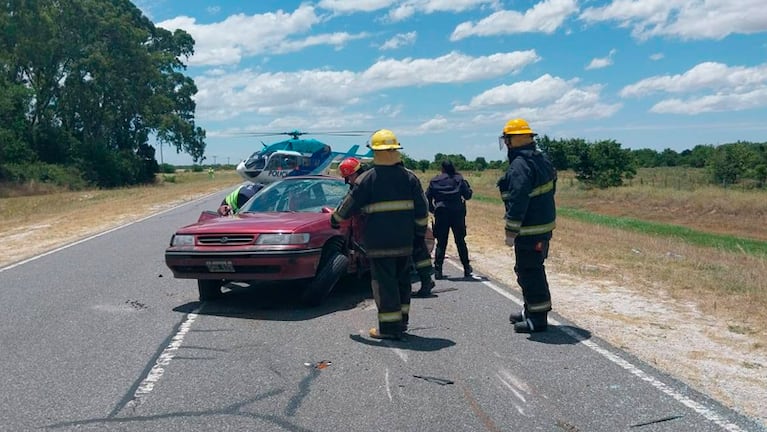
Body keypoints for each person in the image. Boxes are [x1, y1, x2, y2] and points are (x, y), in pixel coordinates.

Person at [331, 130, 429, 340]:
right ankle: (401, 323)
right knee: (403, 283)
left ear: (374, 152)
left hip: (379, 244)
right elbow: (422, 211)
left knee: (385, 286)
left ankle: (388, 329)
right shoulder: (410, 178)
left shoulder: (367, 179)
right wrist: (418, 236)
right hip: (405, 243)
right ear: (396, 151)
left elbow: (347, 207)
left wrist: (334, 219)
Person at [339, 157, 436, 298]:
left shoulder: (372, 179)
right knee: (414, 250)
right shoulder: (370, 179)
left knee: (414, 250)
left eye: (349, 178)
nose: (348, 181)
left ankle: (422, 281)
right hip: (394, 223)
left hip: (398, 223)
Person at [497, 118, 557, 333]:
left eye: (506, 140)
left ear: (512, 140)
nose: (506, 144)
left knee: (530, 271)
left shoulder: (520, 165)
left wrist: (511, 230)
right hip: (543, 226)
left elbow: (518, 199)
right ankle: (530, 310)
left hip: (530, 230)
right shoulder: (540, 160)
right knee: (529, 269)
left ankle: (538, 319)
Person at [426, 159, 473, 280]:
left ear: (442, 169)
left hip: (441, 213)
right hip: (457, 213)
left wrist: (433, 209)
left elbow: (427, 197)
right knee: (460, 241)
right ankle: (467, 268)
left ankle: (438, 271)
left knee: (441, 243)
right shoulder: (459, 179)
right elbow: (467, 195)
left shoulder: (435, 180)